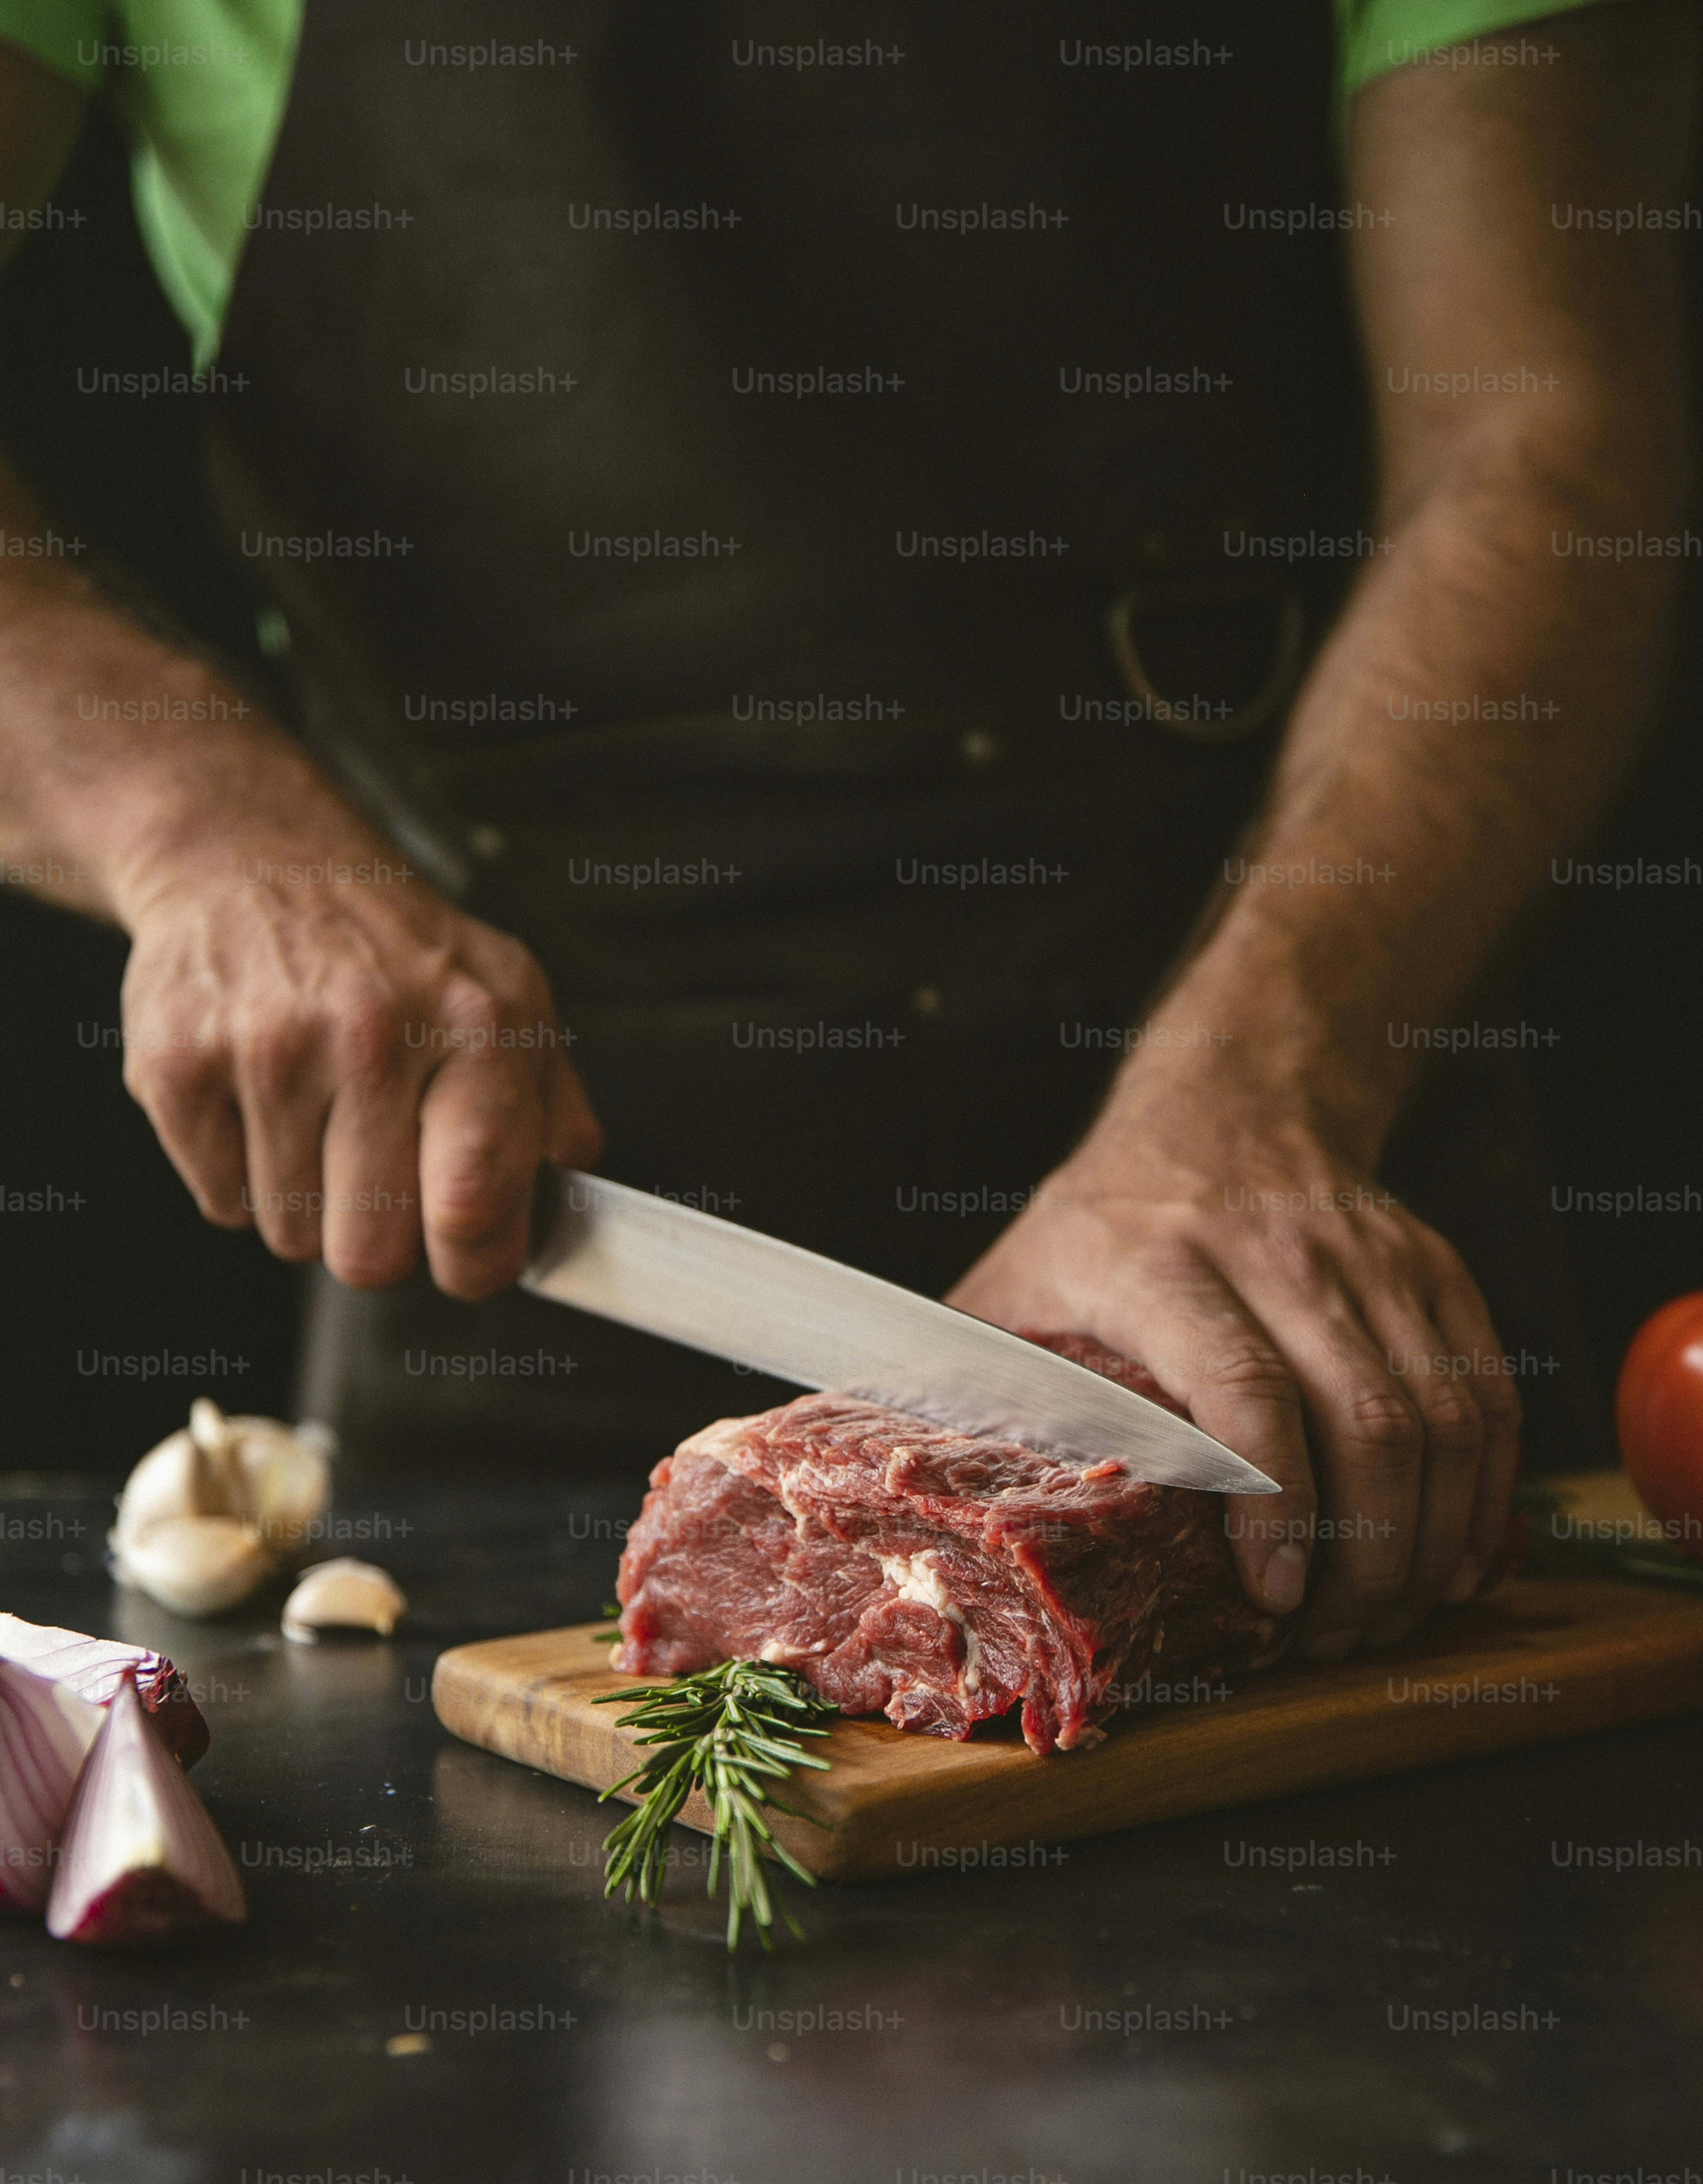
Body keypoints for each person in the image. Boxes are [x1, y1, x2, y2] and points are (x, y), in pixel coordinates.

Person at [0, 2, 1692, 1666]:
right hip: (519, 1233)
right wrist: (200, 829)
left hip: (1295, 1246)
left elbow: (1541, 432)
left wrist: (1270, 1088)